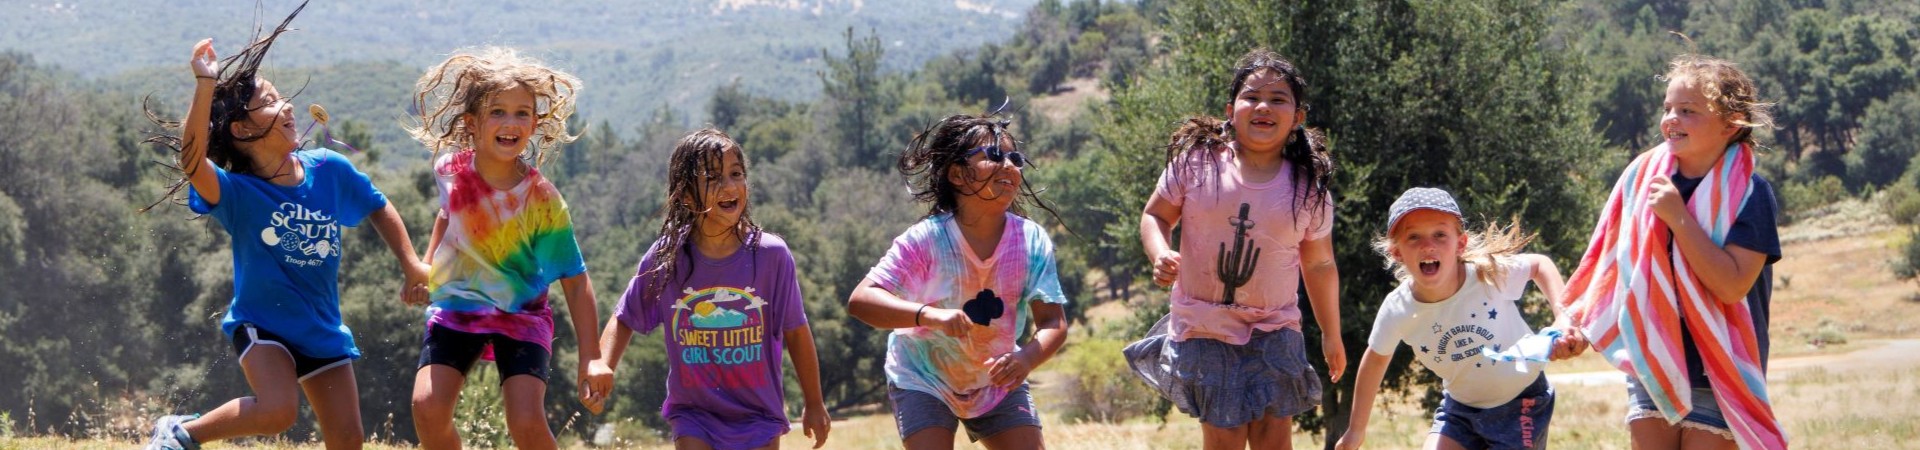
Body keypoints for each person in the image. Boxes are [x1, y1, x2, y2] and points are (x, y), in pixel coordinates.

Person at [142, 2, 430, 449]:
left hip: (322, 329)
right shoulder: (237, 194)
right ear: (241, 130)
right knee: (277, 411)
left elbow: (377, 204)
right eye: (271, 102)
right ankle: (179, 433)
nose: (288, 106)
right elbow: (193, 161)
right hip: (263, 326)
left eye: (281, 97)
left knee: (349, 439)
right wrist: (205, 85)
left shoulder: (329, 169)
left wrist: (411, 263)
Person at [1122, 48, 1345, 450]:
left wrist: (1332, 333)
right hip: (1204, 326)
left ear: (1298, 118)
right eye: (1252, 96)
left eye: (1278, 99)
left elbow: (1320, 265)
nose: (1263, 106)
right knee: (1223, 439)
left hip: (1275, 327)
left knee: (1274, 438)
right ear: (1231, 108)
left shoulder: (1308, 188)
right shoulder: (1197, 164)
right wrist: (1160, 253)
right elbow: (1155, 215)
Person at [1561, 51, 1785, 450]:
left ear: (1731, 125)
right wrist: (1578, 321)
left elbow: (1732, 285)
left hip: (1719, 370)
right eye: (1668, 108)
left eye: (1688, 110)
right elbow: (1614, 266)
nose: (1671, 119)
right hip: (1653, 362)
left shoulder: (1751, 194)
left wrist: (1679, 218)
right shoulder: (1643, 179)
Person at [403, 46, 602, 450]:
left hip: (521, 316)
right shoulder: (450, 170)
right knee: (426, 407)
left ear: (534, 124)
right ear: (472, 124)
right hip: (458, 307)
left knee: (526, 422)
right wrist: (425, 266)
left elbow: (576, 283)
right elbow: (447, 215)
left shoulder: (542, 200)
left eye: (522, 113)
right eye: (498, 112)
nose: (510, 122)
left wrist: (591, 357)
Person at [583, 128, 830, 449]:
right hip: (694, 413)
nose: (729, 186)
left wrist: (814, 402)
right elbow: (625, 316)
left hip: (758, 414)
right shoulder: (666, 258)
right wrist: (603, 364)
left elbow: (796, 331)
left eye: (736, 174)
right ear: (686, 195)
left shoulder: (771, 255)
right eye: (713, 178)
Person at [846, 113, 1070, 450]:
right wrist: (929, 315)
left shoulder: (1031, 241)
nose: (1009, 165)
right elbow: (862, 300)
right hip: (923, 376)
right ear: (956, 175)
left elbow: (1053, 322)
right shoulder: (926, 240)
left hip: (997, 380)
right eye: (993, 155)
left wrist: (1026, 359)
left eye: (1015, 157)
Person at [1336, 188, 1589, 450]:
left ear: (1461, 244)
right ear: (1397, 252)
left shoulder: (1486, 275)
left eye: (1440, 234)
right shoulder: (1398, 308)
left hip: (1522, 403)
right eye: (1413, 237)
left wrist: (1564, 317)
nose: (1427, 245)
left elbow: (1540, 265)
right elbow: (1375, 360)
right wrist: (1356, 430)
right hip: (1460, 410)